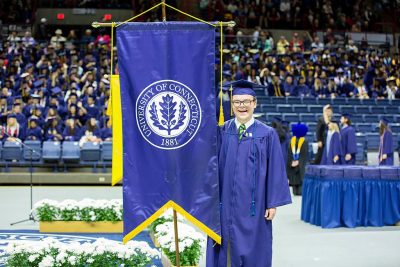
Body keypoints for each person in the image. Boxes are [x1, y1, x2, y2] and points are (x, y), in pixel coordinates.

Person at [206, 80, 292, 267]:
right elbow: (210, 166)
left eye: (246, 101)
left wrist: (272, 203)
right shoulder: (222, 131)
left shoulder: (267, 134)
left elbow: (276, 169)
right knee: (225, 249)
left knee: (254, 249)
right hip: (225, 204)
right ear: (232, 104)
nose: (241, 106)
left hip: (255, 206)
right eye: (237, 102)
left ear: (254, 103)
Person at [287, 123, 308, 196]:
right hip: (297, 165)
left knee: (298, 192)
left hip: (295, 164)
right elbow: (304, 155)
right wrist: (297, 161)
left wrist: (293, 162)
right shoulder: (304, 142)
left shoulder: (292, 141)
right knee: (296, 192)